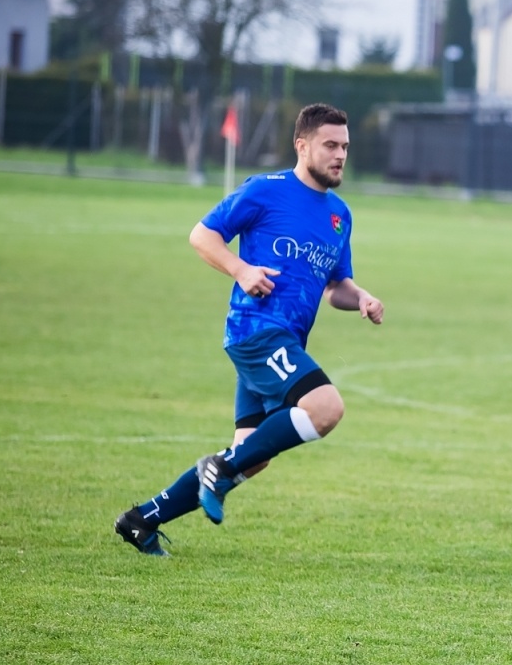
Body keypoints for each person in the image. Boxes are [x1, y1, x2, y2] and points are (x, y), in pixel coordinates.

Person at [114, 104, 385, 554]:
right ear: (303, 146)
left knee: (250, 456)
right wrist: (240, 270)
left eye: (345, 147)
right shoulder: (264, 191)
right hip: (255, 331)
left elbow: (335, 285)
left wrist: (361, 298)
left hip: (284, 340)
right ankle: (215, 472)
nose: (340, 155)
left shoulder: (340, 214)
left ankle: (141, 519)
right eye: (330, 145)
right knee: (325, 407)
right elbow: (202, 236)